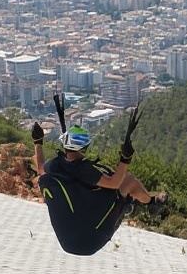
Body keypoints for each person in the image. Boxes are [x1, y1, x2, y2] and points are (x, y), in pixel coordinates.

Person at [31, 109, 165, 256]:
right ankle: (151, 203)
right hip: (92, 240)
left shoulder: (54, 166)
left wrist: (38, 142)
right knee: (129, 182)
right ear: (85, 147)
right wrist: (125, 159)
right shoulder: (84, 169)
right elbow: (114, 183)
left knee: (114, 189)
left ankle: (128, 203)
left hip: (67, 241)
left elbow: (40, 167)